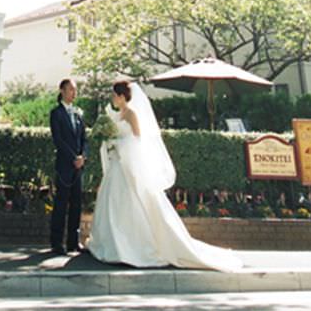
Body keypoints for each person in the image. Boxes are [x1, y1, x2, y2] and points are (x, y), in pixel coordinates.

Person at [87, 81, 243, 271]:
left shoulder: (131, 114)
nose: (112, 98)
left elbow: (137, 140)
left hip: (128, 165)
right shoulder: (118, 115)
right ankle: (113, 244)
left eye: (114, 95)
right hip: (118, 165)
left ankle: (133, 247)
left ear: (121, 96)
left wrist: (118, 144)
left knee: (133, 203)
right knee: (113, 203)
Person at [48, 78, 88, 254]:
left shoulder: (78, 113)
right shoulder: (56, 113)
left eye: (75, 90)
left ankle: (74, 241)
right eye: (71, 89)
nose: (74, 93)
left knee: (77, 204)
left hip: (78, 167)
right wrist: (73, 157)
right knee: (61, 204)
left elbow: (84, 139)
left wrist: (82, 156)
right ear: (62, 91)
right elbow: (59, 140)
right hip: (65, 165)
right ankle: (57, 242)